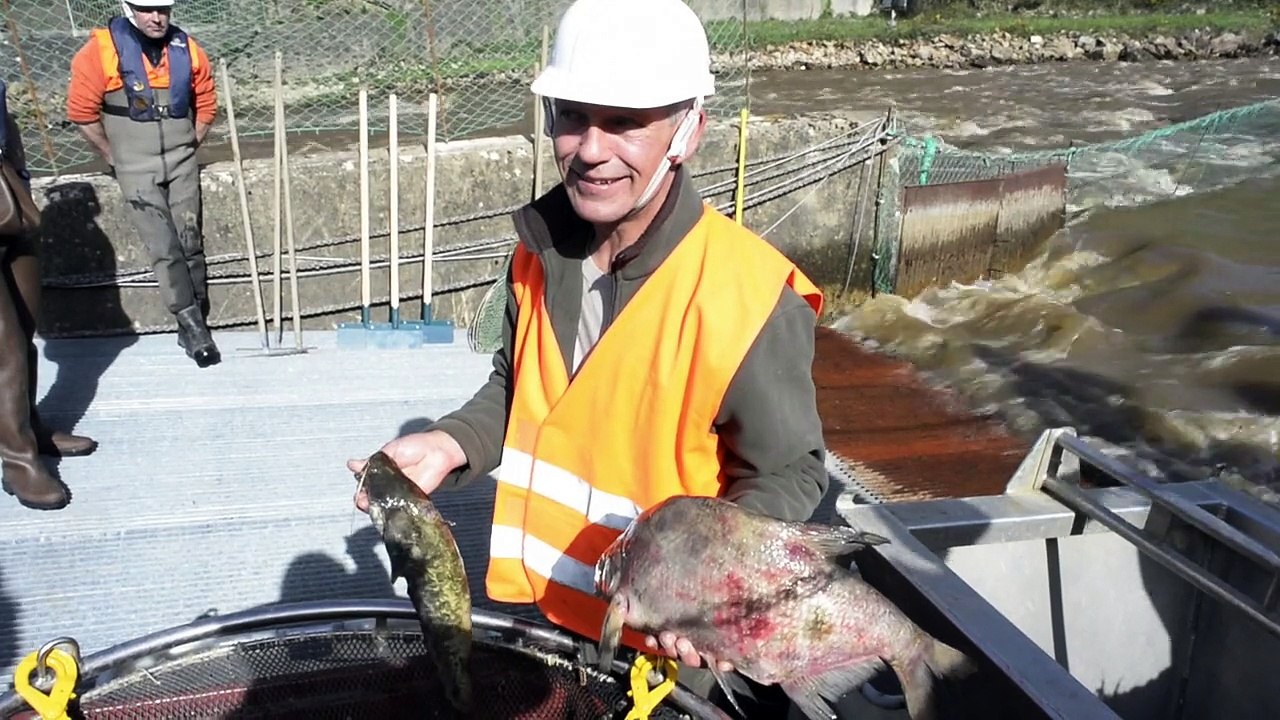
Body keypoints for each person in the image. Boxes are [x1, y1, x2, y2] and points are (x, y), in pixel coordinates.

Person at [350, 0, 827, 713]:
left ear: (688, 131)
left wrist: (714, 581)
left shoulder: (752, 297)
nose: (592, 149)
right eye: (572, 116)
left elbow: (788, 473)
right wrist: (452, 442)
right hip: (552, 623)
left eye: (626, 123)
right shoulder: (536, 254)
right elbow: (519, 387)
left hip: (669, 658)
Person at [65, 0, 220, 367]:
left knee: (190, 242)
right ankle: (192, 326)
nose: (156, 17)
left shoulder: (188, 49)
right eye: (147, 9)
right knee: (164, 247)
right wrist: (112, 155)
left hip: (181, 163)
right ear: (129, 8)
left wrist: (189, 145)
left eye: (162, 9)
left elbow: (207, 104)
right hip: (135, 168)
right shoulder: (100, 52)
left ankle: (196, 319)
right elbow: (81, 112)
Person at [1, 79, 97, 511]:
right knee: (3, 345)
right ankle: (17, 459)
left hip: (10, 201)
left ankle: (27, 427)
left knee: (24, 326)